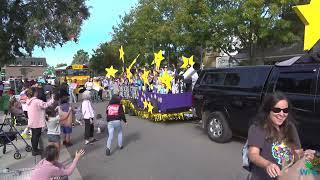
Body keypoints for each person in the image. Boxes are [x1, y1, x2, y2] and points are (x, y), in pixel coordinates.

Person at [247, 92, 315, 180]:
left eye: (285, 110)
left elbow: (297, 152)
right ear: (268, 110)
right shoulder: (258, 128)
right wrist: (268, 164)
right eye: (277, 110)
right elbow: (253, 154)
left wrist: (305, 155)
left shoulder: (290, 127)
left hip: (287, 176)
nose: (282, 114)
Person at [26, 87, 55, 156]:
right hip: (37, 121)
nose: (37, 93)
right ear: (35, 93)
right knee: (36, 135)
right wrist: (52, 99)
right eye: (36, 92)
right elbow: (46, 105)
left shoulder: (29, 100)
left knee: (34, 136)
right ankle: (35, 150)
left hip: (32, 120)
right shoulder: (36, 101)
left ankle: (34, 148)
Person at [105, 89, 127, 156]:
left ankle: (108, 148)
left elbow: (106, 112)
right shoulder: (119, 105)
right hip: (117, 120)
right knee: (119, 132)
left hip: (110, 121)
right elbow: (122, 114)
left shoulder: (109, 105)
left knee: (110, 135)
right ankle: (120, 145)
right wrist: (125, 121)